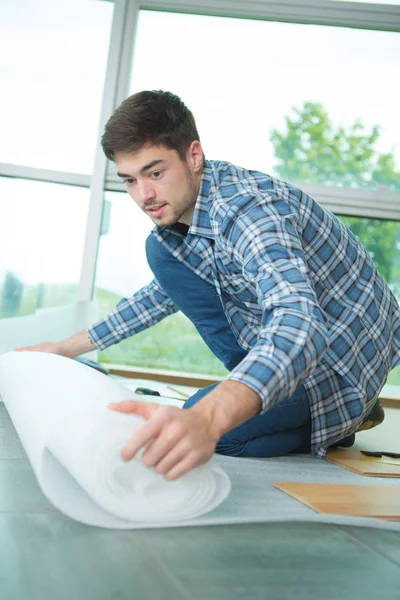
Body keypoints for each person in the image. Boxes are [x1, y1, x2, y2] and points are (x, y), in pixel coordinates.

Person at [18, 90, 400, 481]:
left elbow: (299, 322)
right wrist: (64, 348)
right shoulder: (182, 222)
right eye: (130, 180)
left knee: (210, 431)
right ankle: (274, 401)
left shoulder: (249, 211)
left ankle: (342, 418)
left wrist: (208, 416)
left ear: (194, 157)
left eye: (155, 173)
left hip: (339, 360)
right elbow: (162, 295)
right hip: (304, 347)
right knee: (162, 252)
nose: (144, 196)